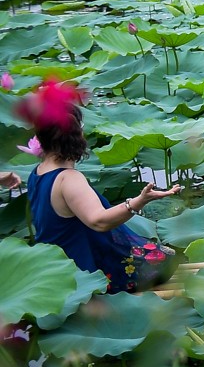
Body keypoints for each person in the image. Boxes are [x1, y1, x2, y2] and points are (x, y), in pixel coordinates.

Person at [9, 80, 179, 292]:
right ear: (77, 137)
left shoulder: (38, 172)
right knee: (167, 260)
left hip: (52, 267)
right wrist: (139, 201)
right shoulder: (68, 179)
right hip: (83, 272)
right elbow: (98, 221)